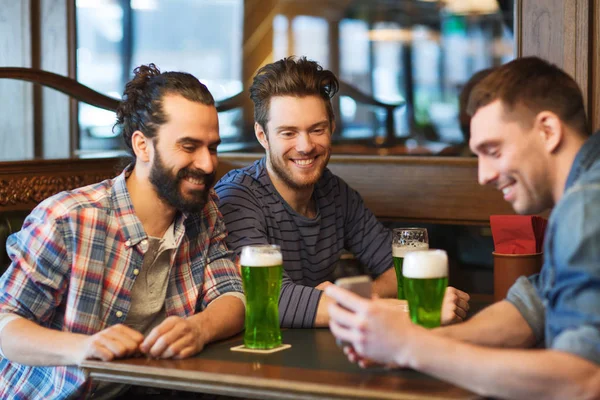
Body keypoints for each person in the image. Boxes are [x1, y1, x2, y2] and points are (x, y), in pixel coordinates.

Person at [326, 56, 600, 399]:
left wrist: (411, 347)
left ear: (548, 130)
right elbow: (533, 307)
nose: (483, 175)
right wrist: (404, 342)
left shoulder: (587, 204)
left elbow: (584, 378)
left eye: (493, 151)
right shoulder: (583, 190)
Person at [0, 64, 245, 399]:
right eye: (189, 147)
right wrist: (83, 347)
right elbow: (5, 326)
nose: (207, 164)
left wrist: (199, 328)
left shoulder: (204, 209)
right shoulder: (67, 220)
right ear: (142, 146)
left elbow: (233, 297)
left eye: (212, 147)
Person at [215, 56, 469, 328]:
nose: (305, 146)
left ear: (332, 127)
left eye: (317, 130)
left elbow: (400, 270)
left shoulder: (334, 192)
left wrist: (353, 298)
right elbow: (268, 298)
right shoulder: (238, 197)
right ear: (262, 136)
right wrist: (415, 309)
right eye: (288, 133)